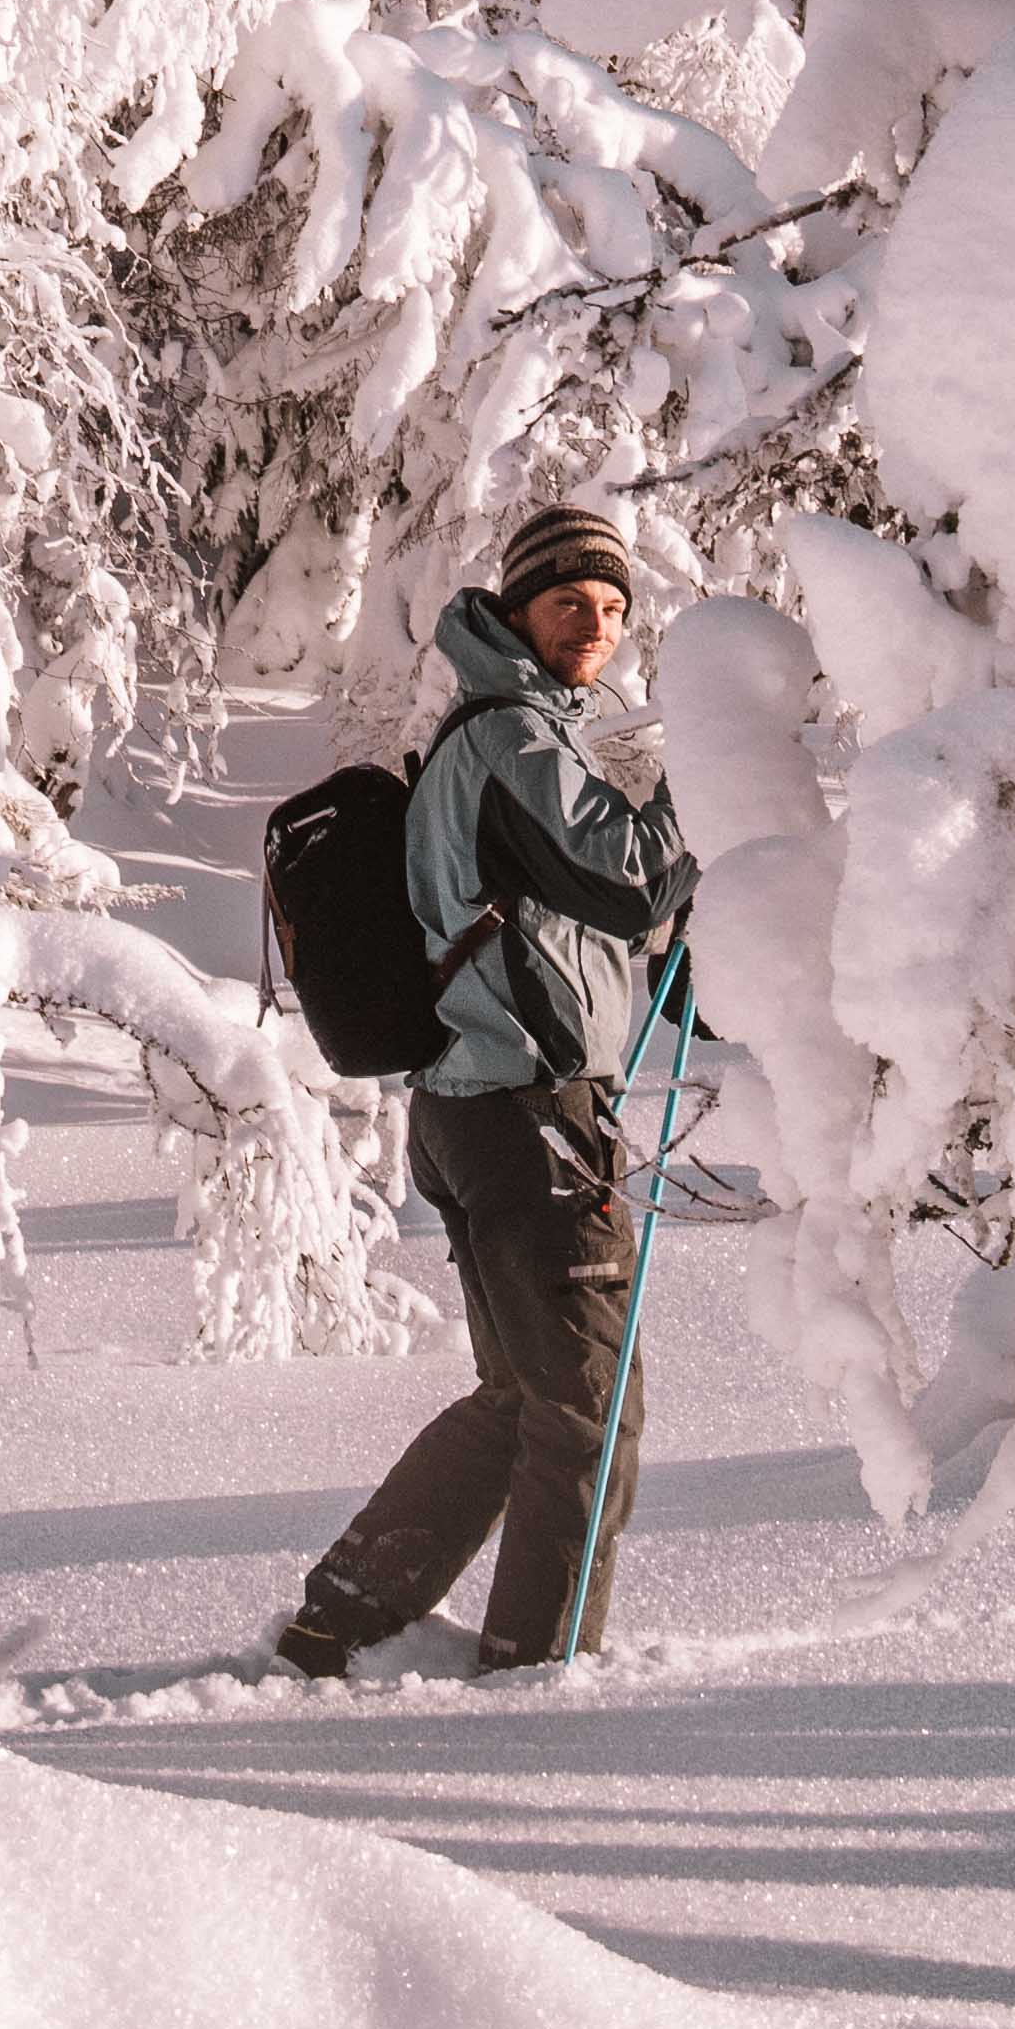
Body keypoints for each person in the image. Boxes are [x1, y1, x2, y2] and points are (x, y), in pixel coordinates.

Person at [270, 499, 693, 1682]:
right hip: (524, 1119)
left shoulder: (547, 739)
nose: (592, 628)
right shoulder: (511, 738)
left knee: (521, 1398)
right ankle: (535, 1675)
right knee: (589, 1417)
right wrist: (712, 777)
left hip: (486, 1111)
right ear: (516, 607)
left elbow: (613, 930)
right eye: (569, 603)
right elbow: (621, 881)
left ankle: (341, 1616)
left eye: (612, 609)